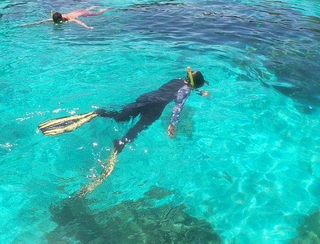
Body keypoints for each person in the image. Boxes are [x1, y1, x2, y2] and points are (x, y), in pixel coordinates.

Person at [38, 68, 209, 197]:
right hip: (155, 108)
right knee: (135, 130)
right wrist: (172, 125)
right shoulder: (186, 91)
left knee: (120, 117)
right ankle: (119, 146)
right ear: (195, 85)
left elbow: (180, 89)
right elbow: (178, 105)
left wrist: (200, 92)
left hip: (145, 98)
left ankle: (97, 114)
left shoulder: (177, 79)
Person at [23, 7, 108, 29]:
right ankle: (93, 7)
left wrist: (87, 27)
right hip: (79, 11)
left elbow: (79, 22)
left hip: (83, 13)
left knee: (98, 14)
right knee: (86, 10)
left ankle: (106, 8)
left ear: (61, 19)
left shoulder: (69, 19)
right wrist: (29, 24)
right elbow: (41, 22)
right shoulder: (55, 18)